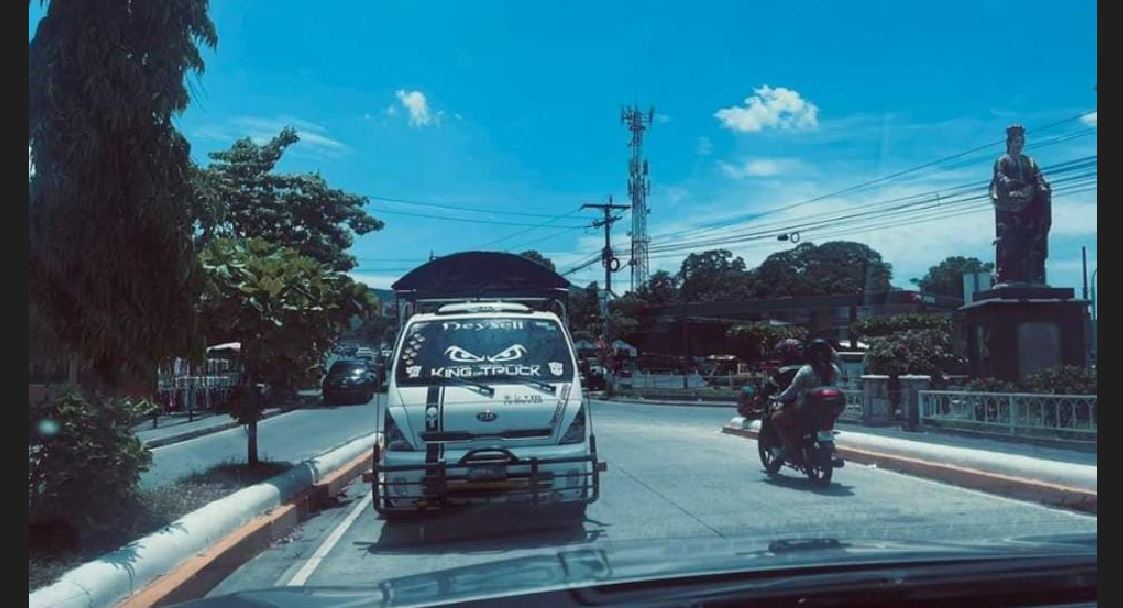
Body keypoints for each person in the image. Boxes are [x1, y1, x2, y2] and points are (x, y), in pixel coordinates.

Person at [769, 339, 843, 464]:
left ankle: (791, 450)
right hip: (827, 411)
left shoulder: (806, 370)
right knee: (826, 429)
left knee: (776, 418)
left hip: (804, 410)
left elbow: (792, 390)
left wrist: (779, 398)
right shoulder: (834, 370)